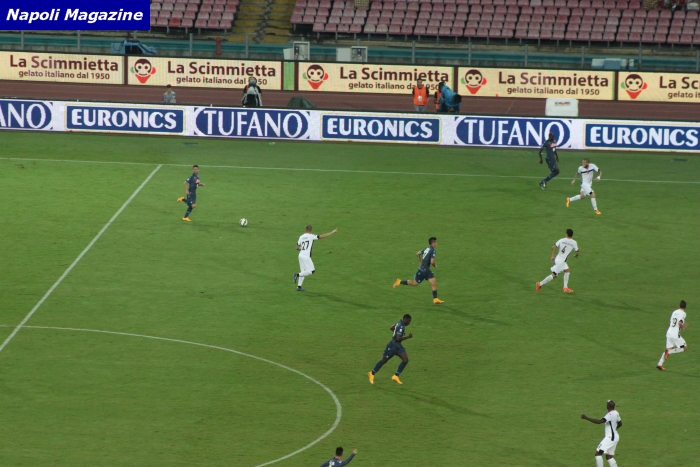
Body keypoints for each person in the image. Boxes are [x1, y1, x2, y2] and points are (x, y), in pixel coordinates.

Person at [393, 237, 444, 304]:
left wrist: (420, 262)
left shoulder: (426, 249)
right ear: (433, 243)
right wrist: (435, 265)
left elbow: (418, 254)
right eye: (436, 242)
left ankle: (399, 281)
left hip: (422, 269)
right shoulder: (433, 250)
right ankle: (435, 299)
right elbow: (432, 261)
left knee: (416, 283)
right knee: (432, 283)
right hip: (426, 270)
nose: (436, 244)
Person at [368, 314, 413, 385]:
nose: (409, 323)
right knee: (384, 360)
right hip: (392, 346)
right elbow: (398, 339)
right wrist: (407, 337)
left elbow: (392, 328)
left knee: (405, 360)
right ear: (405, 319)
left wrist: (398, 333)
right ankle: (372, 373)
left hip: (398, 346)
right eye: (409, 321)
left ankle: (396, 376)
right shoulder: (401, 326)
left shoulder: (399, 323)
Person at [293, 224, 338, 291]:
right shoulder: (311, 236)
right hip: (306, 256)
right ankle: (297, 275)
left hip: (300, 255)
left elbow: (297, 248)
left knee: (303, 271)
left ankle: (299, 287)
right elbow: (321, 236)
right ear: (311, 230)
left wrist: (301, 248)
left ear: (305, 229)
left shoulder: (301, 237)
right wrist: (332, 232)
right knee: (312, 271)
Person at [581, 400, 622, 467]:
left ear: (608, 406)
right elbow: (620, 424)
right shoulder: (616, 413)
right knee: (609, 457)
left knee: (598, 454)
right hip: (615, 437)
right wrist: (613, 431)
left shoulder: (609, 414)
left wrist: (586, 417)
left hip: (610, 438)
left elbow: (599, 421)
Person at [536, 229, 578, 293]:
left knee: (567, 271)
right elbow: (577, 252)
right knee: (554, 275)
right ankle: (539, 284)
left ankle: (565, 287)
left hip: (559, 259)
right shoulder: (574, 242)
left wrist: (552, 256)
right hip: (561, 261)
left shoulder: (561, 240)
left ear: (566, 234)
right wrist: (575, 255)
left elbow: (553, 247)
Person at [657, 300, 688, 370]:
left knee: (669, 348)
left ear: (679, 305)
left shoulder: (674, 312)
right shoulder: (683, 313)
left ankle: (659, 364)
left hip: (669, 332)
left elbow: (672, 322)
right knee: (685, 347)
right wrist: (682, 328)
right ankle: (669, 352)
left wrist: (683, 324)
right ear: (685, 307)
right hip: (675, 335)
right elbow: (679, 322)